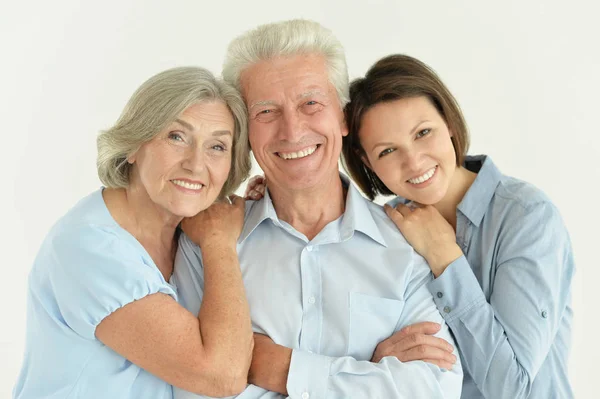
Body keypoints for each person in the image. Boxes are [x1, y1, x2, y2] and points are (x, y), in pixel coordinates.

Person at [174, 20, 463, 399]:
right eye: (266, 112)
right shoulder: (207, 241)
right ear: (245, 131)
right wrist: (369, 374)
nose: (292, 131)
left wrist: (278, 367)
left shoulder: (407, 245)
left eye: (310, 103)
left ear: (343, 116)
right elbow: (195, 389)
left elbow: (433, 389)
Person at [341, 54, 574, 398]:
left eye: (423, 133)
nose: (414, 161)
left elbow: (513, 389)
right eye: (388, 150)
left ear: (448, 123)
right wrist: (379, 364)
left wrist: (445, 259)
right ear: (367, 162)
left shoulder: (527, 217)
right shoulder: (384, 230)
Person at [13, 67, 254, 399]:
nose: (196, 164)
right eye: (177, 137)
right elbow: (221, 376)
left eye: (217, 147)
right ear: (132, 146)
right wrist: (218, 242)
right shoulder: (89, 247)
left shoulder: (185, 233)